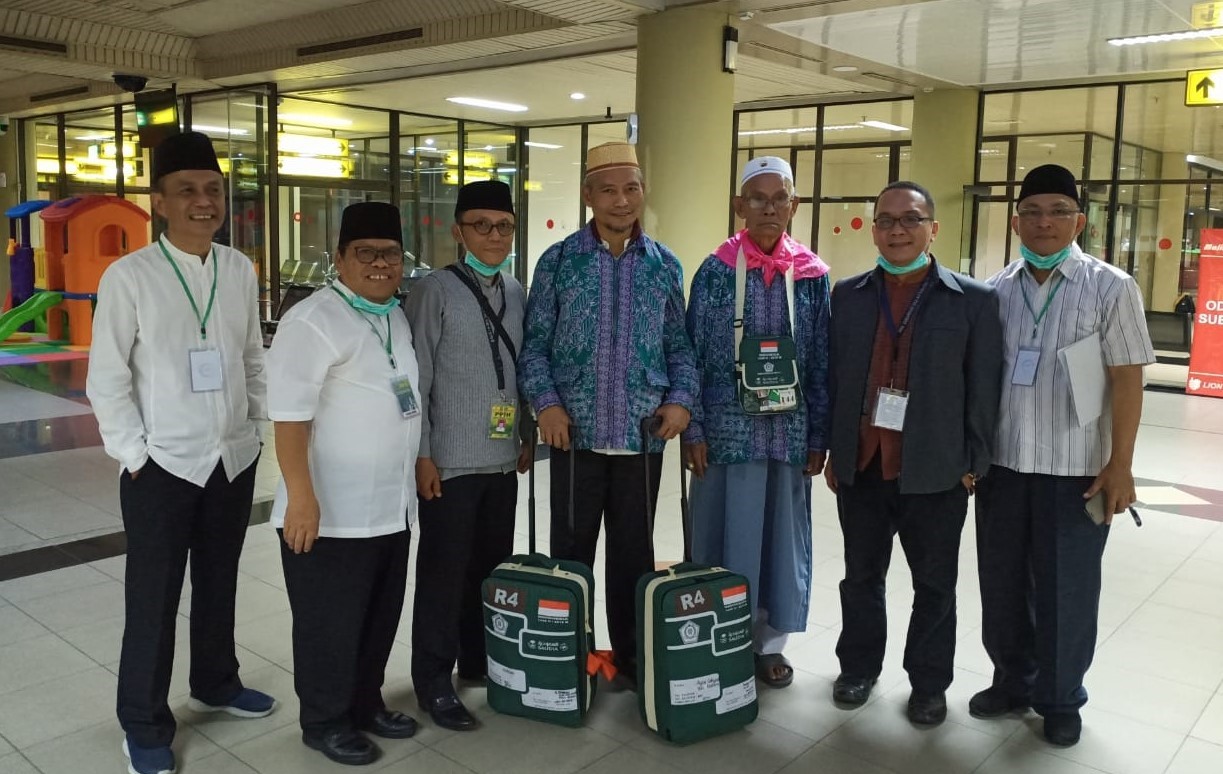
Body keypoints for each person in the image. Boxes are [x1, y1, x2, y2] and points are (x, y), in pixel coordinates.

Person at [87, 131, 275, 774]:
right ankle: (143, 721)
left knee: (219, 583)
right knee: (154, 599)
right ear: (159, 202)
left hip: (230, 458)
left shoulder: (238, 268)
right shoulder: (128, 276)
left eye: (213, 190)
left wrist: (254, 427)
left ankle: (217, 683)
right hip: (161, 466)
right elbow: (106, 377)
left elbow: (252, 356)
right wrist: (135, 455)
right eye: (188, 190)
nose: (204, 202)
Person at [971, 164, 1155, 747]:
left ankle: (1059, 696)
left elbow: (1128, 379)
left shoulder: (1111, 287)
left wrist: (1120, 465)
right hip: (1004, 467)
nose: (1043, 222)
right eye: (1031, 211)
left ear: (1079, 220)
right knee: (1000, 583)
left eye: (1055, 211)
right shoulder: (996, 288)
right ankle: (1012, 680)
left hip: (1078, 473)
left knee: (1065, 590)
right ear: (1016, 220)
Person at [518, 141, 698, 685]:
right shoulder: (560, 261)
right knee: (571, 557)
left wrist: (681, 401)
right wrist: (546, 405)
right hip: (575, 437)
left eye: (632, 188)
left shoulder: (665, 265)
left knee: (633, 558)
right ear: (588, 195)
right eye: (609, 189)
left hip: (644, 437)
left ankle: (630, 659)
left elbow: (681, 348)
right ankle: (569, 657)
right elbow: (534, 348)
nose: (622, 200)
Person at [824, 181, 1003, 725]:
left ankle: (928, 685)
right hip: (864, 464)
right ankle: (857, 668)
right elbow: (834, 380)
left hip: (936, 469)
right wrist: (835, 451)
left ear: (932, 228)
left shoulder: (972, 300)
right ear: (873, 228)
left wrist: (975, 463)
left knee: (934, 585)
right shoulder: (848, 296)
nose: (897, 230)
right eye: (886, 220)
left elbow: (984, 386)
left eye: (910, 219)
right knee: (860, 578)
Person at [267, 202, 421, 766]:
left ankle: (364, 702)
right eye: (366, 253)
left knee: (378, 615)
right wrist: (301, 498)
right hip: (329, 512)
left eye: (390, 254)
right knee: (328, 624)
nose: (380, 264)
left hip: (390, 506)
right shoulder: (312, 320)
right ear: (339, 259)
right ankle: (325, 720)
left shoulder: (394, 316)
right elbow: (288, 417)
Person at [683, 156, 830, 689]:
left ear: (794, 205)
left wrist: (818, 436)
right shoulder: (716, 272)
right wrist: (694, 431)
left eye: (780, 197)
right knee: (721, 537)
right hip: (727, 435)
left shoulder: (812, 277)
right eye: (758, 197)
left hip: (787, 436)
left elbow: (821, 361)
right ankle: (713, 634)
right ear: (739, 205)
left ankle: (769, 645)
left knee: (780, 543)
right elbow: (690, 354)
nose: (769, 207)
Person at [405, 180, 531, 730]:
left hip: (501, 460)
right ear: (457, 231)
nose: (493, 235)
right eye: (480, 225)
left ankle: (479, 662)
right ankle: (433, 678)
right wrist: (424, 454)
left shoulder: (517, 291)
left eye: (503, 225)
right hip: (450, 464)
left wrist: (523, 434)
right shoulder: (435, 290)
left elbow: (524, 370)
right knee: (443, 572)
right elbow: (419, 377)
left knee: (489, 570)